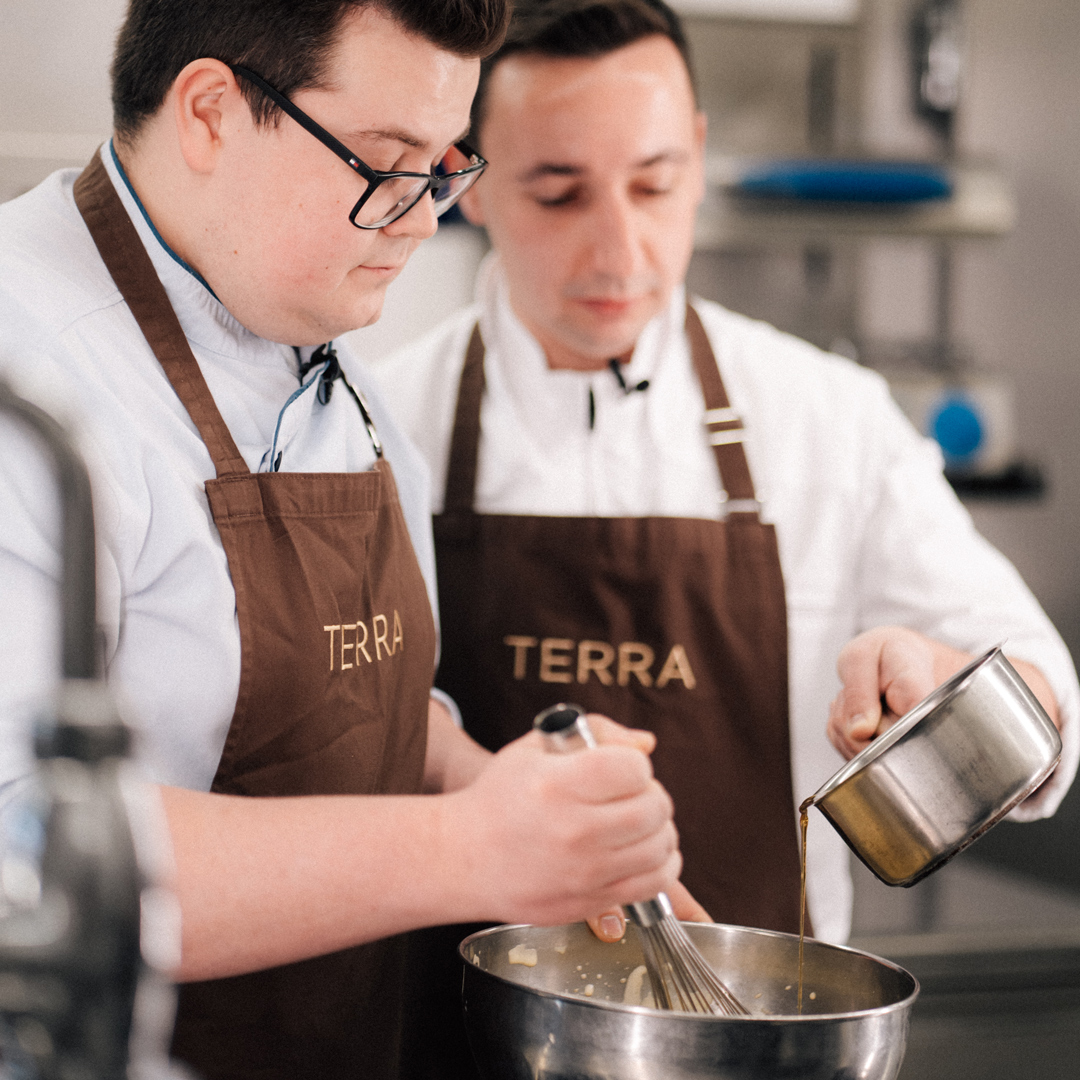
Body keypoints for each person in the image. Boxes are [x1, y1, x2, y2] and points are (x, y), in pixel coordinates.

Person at [371, 0, 1080, 1067]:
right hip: (461, 1040)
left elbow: (1045, 709)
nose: (618, 246)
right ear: (468, 182)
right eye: (558, 191)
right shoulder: (382, 422)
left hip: (755, 1043)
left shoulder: (827, 419)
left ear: (699, 156)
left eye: (654, 184)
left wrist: (939, 682)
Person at [0, 2, 691, 1078]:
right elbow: (21, 858)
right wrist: (472, 851)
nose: (422, 222)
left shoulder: (334, 372)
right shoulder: (22, 379)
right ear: (213, 114)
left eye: (444, 165)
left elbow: (353, 711)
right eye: (384, 164)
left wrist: (512, 790)